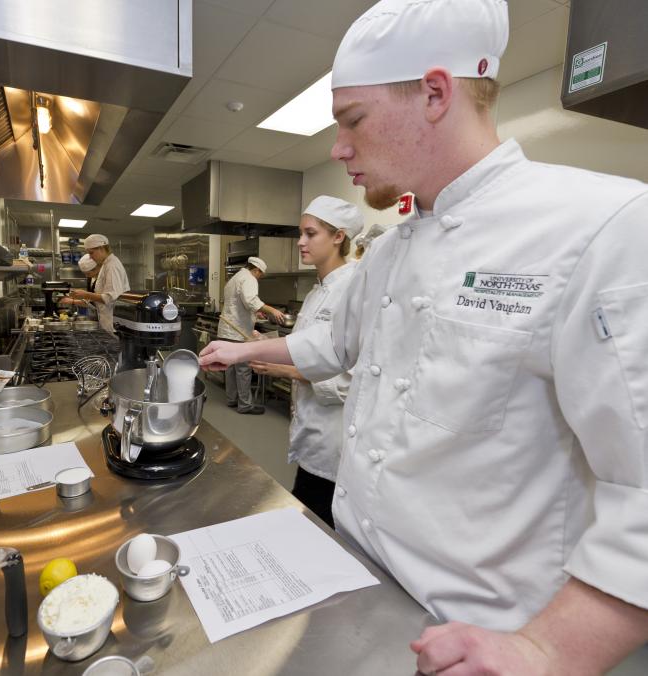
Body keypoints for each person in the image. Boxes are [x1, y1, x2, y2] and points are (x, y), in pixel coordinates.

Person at [198, 0, 648, 673]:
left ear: (436, 93)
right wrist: (244, 349)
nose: (338, 147)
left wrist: (546, 650)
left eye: (353, 120)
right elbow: (330, 351)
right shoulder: (386, 253)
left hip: (478, 635)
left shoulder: (600, 226)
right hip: (361, 590)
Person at [250, 196, 363, 527]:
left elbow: (349, 379)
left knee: (321, 521)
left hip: (334, 439)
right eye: (300, 233)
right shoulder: (317, 292)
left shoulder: (354, 289)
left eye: (310, 234)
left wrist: (284, 369)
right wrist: (267, 345)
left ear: (338, 236)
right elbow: (306, 346)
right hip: (310, 432)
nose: (300, 242)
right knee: (307, 514)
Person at [217, 256, 284, 415]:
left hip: (227, 328)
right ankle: (245, 405)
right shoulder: (249, 278)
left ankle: (232, 399)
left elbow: (241, 302)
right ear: (257, 270)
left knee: (230, 367)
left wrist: (256, 312)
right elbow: (251, 300)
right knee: (243, 369)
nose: (260, 277)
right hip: (238, 331)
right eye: (261, 274)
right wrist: (272, 310)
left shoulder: (236, 277)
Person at [65, 234, 129, 333]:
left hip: (113, 322)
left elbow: (110, 297)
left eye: (91, 253)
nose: (90, 257)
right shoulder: (106, 264)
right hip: (107, 321)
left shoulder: (112, 266)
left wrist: (85, 294)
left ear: (101, 248)